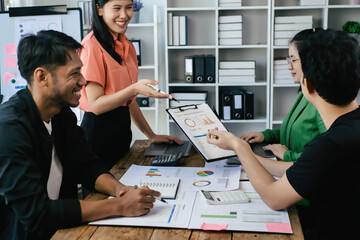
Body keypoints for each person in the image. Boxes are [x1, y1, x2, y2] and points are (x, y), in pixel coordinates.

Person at [0, 30, 160, 240]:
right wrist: (119, 205)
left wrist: (121, 190)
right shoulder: (9, 128)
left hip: (65, 229)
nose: (84, 82)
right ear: (42, 76)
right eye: (74, 74)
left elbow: (87, 166)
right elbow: (36, 213)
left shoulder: (61, 113)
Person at [207, 28, 360, 239]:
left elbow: (273, 198)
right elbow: (307, 169)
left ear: (307, 85)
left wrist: (238, 146)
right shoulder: (347, 132)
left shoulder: (329, 145)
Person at [78, 0, 182, 170]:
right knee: (101, 196)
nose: (124, 15)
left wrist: (151, 135)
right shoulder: (91, 46)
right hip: (98, 135)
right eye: (117, 8)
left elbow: (128, 100)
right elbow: (96, 105)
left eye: (128, 7)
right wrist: (135, 88)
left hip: (121, 131)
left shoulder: (127, 45)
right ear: (100, 9)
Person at [241, 29, 326, 164]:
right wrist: (265, 135)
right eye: (289, 60)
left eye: (293, 60)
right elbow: (294, 134)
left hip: (301, 177)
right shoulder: (305, 93)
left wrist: (287, 155)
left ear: (310, 60)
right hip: (289, 171)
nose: (289, 67)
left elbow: (326, 156)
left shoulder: (323, 100)